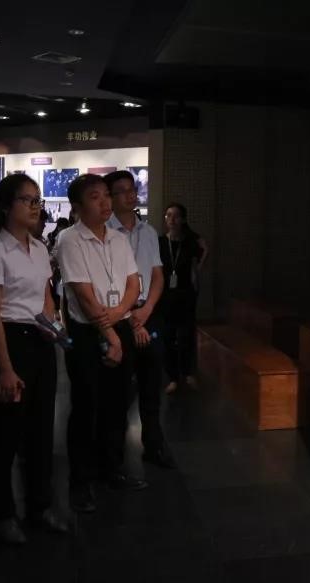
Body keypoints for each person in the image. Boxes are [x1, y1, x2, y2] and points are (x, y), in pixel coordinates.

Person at [0, 174, 68, 544]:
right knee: (5, 434)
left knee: (41, 431)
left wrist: (53, 326)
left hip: (40, 343)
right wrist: (5, 368)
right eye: (27, 200)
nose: (34, 207)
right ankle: (1, 514)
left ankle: (40, 506)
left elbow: (46, 298)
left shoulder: (40, 248)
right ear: (6, 207)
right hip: (10, 342)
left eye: (37, 200)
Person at [55, 174, 145, 514]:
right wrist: (110, 334)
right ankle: (81, 481)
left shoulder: (119, 239)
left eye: (107, 195)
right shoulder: (70, 239)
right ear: (77, 206)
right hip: (87, 333)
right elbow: (83, 294)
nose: (106, 202)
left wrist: (118, 316)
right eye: (96, 197)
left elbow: (134, 284)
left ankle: (112, 468)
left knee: (117, 403)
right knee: (86, 406)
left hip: (117, 325)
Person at [106, 171, 175, 469]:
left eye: (132, 188)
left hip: (148, 312)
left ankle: (154, 445)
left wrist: (146, 313)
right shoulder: (105, 233)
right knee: (120, 390)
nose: (130, 194)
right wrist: (132, 320)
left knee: (151, 383)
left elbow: (158, 275)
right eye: (121, 190)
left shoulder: (148, 231)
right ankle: (113, 454)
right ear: (110, 197)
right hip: (119, 316)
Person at [159, 204, 208, 394]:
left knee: (186, 335)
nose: (171, 219)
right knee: (167, 337)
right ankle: (172, 377)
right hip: (165, 296)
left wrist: (198, 271)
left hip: (186, 294)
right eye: (168, 215)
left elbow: (204, 251)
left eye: (176, 216)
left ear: (183, 220)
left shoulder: (190, 242)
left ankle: (188, 373)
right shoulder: (160, 242)